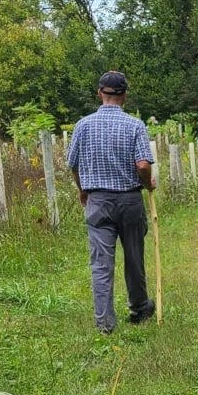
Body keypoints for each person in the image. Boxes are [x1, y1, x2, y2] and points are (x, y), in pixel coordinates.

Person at [67, 70, 156, 335]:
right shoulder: (135, 125)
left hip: (97, 200)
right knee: (134, 257)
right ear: (125, 96)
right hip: (129, 200)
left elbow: (73, 165)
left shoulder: (83, 125)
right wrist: (146, 182)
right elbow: (142, 164)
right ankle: (139, 307)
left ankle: (105, 323)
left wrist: (83, 189)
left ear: (99, 93)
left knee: (101, 263)